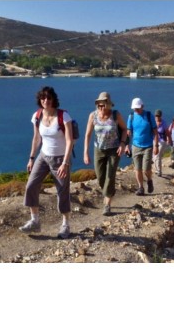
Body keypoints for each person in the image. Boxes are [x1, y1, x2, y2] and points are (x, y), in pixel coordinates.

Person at [20, 86, 74, 239]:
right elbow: (36, 138)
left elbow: (69, 141)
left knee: (62, 191)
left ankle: (65, 224)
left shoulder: (64, 116)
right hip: (43, 156)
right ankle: (35, 220)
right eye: (43, 98)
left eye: (49, 98)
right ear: (40, 100)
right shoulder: (37, 116)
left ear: (53, 99)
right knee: (31, 185)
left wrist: (65, 163)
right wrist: (31, 158)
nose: (46, 101)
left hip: (60, 159)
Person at [83, 92, 127, 216]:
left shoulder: (115, 115)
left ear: (108, 105)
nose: (101, 108)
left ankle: (107, 204)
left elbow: (124, 129)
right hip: (99, 149)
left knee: (110, 175)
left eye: (103, 105)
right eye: (99, 105)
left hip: (114, 149)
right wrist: (85, 152)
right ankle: (109, 192)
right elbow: (87, 135)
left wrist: (123, 143)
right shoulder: (93, 116)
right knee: (100, 176)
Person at [126, 97, 158, 196]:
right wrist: (127, 146)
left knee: (146, 169)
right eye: (134, 108)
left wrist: (156, 145)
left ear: (142, 106)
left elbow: (155, 132)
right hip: (135, 146)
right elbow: (128, 133)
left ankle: (149, 180)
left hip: (148, 146)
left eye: (138, 108)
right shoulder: (131, 117)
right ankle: (141, 187)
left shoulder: (149, 116)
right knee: (137, 169)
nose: (136, 110)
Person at [153, 109, 170, 176]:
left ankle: (159, 171)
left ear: (161, 116)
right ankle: (157, 169)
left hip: (162, 141)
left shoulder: (164, 123)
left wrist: (169, 139)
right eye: (156, 116)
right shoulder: (153, 122)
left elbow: (167, 132)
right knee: (154, 156)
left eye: (158, 116)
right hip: (154, 140)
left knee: (157, 155)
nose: (157, 117)